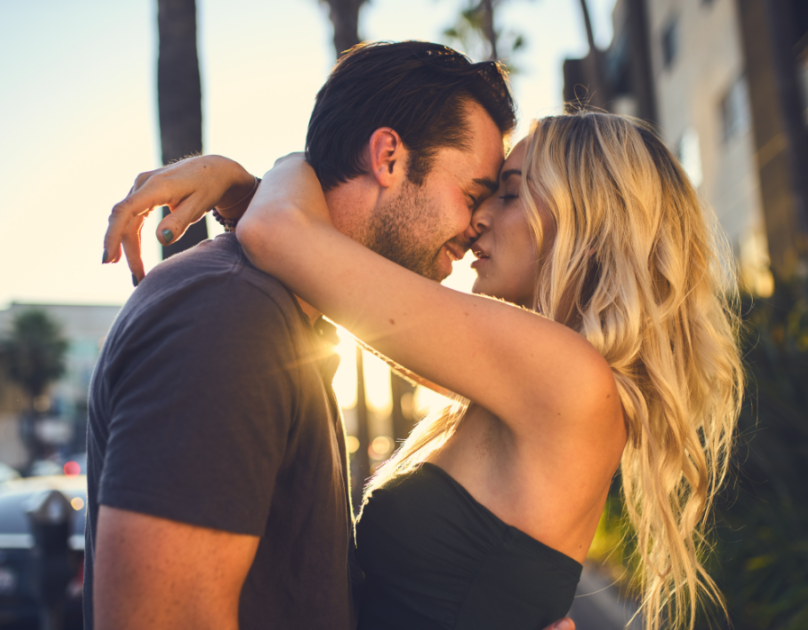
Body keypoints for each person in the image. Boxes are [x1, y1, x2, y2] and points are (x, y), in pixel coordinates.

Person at [108, 111, 743, 630]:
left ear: (592, 219)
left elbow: (281, 232)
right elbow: (331, 279)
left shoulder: (563, 375)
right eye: (485, 194)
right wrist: (248, 194)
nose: (480, 219)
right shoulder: (525, 381)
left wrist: (268, 172)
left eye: (512, 194)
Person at [91, 41, 576, 630]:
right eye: (474, 194)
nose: (477, 224)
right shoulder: (229, 318)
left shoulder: (284, 316)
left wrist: (254, 186)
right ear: (389, 157)